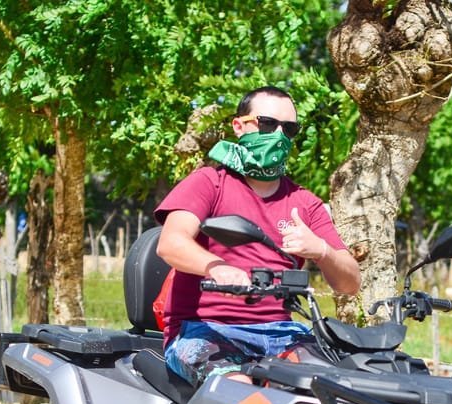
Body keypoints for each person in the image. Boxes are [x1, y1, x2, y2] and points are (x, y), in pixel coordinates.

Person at [154, 85, 360, 386]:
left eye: (288, 128)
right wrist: (217, 267)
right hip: (203, 330)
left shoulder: (305, 203)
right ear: (239, 126)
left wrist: (321, 250)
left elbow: (350, 283)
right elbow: (171, 243)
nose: (278, 135)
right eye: (267, 123)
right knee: (237, 389)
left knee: (336, 385)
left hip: (281, 333)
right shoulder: (209, 183)